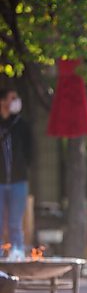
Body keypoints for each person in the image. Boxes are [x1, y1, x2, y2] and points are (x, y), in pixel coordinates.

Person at [0, 89, 32, 256]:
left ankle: (17, 253)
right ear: (3, 101)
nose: (15, 101)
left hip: (18, 181)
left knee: (15, 222)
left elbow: (29, 151)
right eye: (12, 98)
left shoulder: (21, 124)